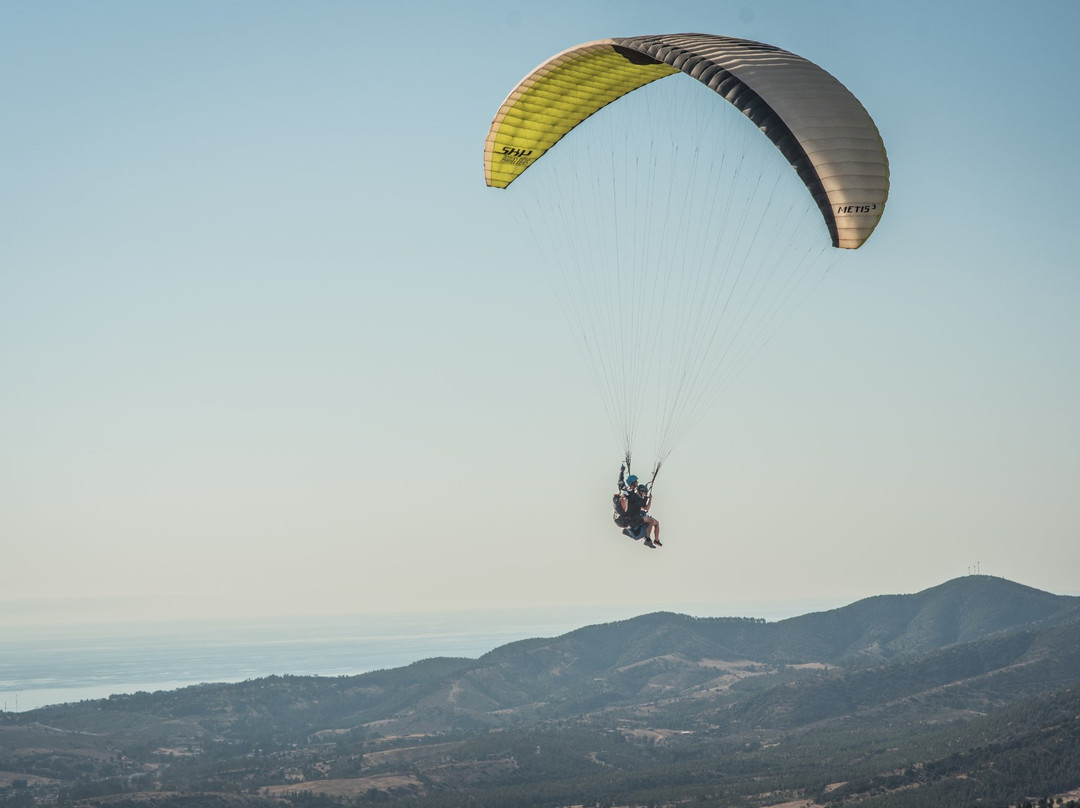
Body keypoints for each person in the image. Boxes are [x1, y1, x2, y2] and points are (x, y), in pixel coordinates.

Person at [613, 467, 662, 548]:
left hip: (625, 516)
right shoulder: (633, 495)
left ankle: (653, 539)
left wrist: (622, 471)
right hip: (632, 517)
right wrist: (647, 498)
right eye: (636, 482)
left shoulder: (623, 488)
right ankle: (648, 539)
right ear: (633, 483)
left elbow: (620, 481)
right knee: (650, 521)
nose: (637, 483)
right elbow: (643, 505)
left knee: (652, 522)